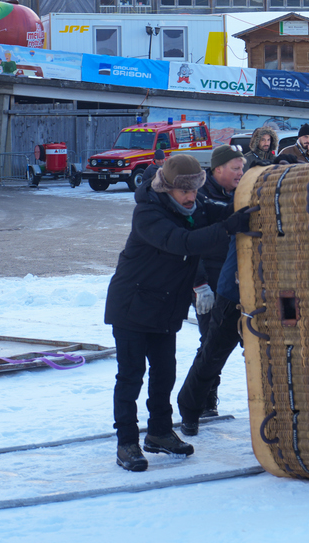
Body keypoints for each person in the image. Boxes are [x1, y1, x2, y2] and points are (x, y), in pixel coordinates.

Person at [104, 154, 253, 472]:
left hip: (164, 305)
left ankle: (159, 432)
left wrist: (248, 210)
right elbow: (182, 242)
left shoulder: (194, 206)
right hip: (131, 305)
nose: (191, 197)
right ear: (168, 188)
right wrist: (228, 228)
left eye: (194, 190)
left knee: (164, 374)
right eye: (184, 191)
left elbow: (221, 212)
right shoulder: (148, 213)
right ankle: (127, 442)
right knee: (131, 377)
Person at [177, 146, 244, 429]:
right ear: (217, 170)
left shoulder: (239, 196)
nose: (241, 173)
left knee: (223, 339)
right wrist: (200, 284)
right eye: (235, 168)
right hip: (209, 281)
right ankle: (204, 399)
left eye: (242, 168)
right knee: (211, 340)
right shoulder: (201, 198)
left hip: (235, 279)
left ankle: (203, 398)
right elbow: (192, 245)